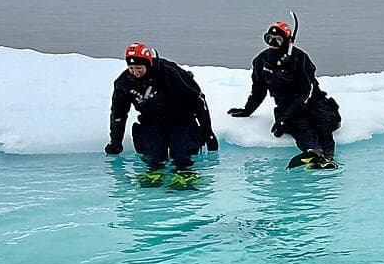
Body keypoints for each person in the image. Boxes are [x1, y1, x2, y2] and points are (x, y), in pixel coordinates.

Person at [226, 17, 342, 168]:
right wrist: (247, 110)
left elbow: (306, 91)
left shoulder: (300, 58)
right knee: (298, 125)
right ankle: (313, 151)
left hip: (312, 100)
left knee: (321, 121)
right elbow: (258, 90)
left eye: (277, 40)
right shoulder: (261, 61)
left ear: (287, 41)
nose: (272, 44)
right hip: (286, 104)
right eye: (269, 39)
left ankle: (328, 156)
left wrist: (286, 117)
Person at [106, 42, 218, 186]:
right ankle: (155, 172)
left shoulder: (168, 74)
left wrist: (207, 132)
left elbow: (197, 99)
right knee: (153, 156)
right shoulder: (124, 83)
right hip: (151, 122)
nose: (135, 72)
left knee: (182, 155)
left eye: (139, 68)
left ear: (148, 64)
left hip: (181, 120)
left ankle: (184, 173)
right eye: (131, 68)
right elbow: (118, 113)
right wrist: (115, 141)